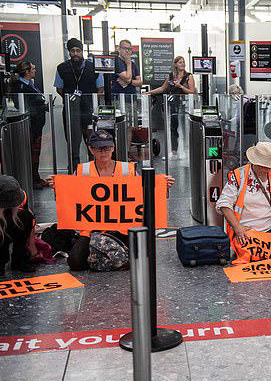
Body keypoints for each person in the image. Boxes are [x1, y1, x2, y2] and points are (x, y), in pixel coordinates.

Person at [47, 130, 175, 270]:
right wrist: (58, 187)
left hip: (123, 228)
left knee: (141, 258)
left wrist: (161, 186)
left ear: (113, 148)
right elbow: (71, 195)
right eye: (99, 148)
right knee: (75, 262)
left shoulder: (127, 170)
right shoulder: (83, 170)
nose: (103, 152)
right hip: (92, 229)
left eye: (107, 147)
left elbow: (142, 192)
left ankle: (103, 256)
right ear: (91, 149)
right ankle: (108, 256)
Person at [217, 142, 271, 245]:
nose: (266, 170)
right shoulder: (239, 176)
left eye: (268, 166)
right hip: (246, 230)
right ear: (254, 162)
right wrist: (237, 227)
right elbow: (224, 203)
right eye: (262, 166)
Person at [54, 38, 104, 169]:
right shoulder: (61, 68)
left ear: (82, 51)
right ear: (69, 52)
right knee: (72, 143)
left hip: (89, 111)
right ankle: (74, 170)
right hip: (71, 112)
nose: (75, 53)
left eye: (78, 50)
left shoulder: (93, 67)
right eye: (72, 51)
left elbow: (100, 89)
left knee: (92, 141)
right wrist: (73, 101)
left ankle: (94, 169)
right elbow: (59, 89)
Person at [146, 56, 196, 156]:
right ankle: (174, 150)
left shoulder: (188, 76)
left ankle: (186, 150)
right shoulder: (171, 76)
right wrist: (148, 92)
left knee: (184, 127)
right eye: (180, 62)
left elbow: (192, 92)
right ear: (175, 64)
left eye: (183, 62)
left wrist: (180, 86)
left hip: (184, 106)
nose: (182, 64)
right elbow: (163, 88)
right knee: (173, 127)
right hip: (171, 105)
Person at [9, 61, 48, 188]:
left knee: (35, 152)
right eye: (33, 68)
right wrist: (40, 105)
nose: (35, 70)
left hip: (37, 125)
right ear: (27, 71)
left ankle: (35, 178)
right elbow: (21, 105)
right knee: (32, 152)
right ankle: (33, 180)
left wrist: (43, 106)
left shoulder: (29, 84)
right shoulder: (19, 86)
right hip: (30, 126)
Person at [0, 176, 37, 275]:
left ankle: (18, 260)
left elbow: (30, 218)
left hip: (11, 218)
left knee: (26, 217)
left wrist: (32, 244)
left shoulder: (21, 196)